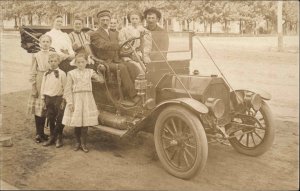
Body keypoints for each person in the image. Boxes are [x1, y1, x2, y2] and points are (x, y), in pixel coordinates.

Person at [89, 10, 137, 101]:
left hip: (116, 59)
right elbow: (103, 45)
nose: (105, 22)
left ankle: (139, 91)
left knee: (132, 65)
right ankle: (133, 95)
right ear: (99, 21)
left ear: (110, 20)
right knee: (122, 68)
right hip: (104, 61)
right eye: (103, 20)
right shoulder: (94, 34)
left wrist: (127, 51)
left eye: (107, 20)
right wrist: (119, 44)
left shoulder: (114, 33)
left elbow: (119, 48)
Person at [62, 53, 104, 153]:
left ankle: (84, 143)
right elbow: (67, 89)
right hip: (76, 98)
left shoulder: (90, 72)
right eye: (78, 62)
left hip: (87, 98)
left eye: (83, 62)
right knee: (77, 123)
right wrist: (70, 103)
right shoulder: (71, 73)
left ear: (86, 62)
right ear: (75, 63)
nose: (81, 64)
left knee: (85, 123)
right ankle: (77, 143)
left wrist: (100, 71)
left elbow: (101, 81)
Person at [27, 34, 53, 143]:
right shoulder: (36, 55)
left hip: (51, 80)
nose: (45, 43)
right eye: (43, 41)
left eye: (48, 42)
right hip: (40, 80)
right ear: (40, 43)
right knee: (39, 109)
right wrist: (34, 87)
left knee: (48, 108)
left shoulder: (53, 54)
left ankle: (49, 134)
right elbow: (32, 72)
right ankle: (39, 133)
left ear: (50, 43)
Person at [41, 52, 67, 148]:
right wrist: (43, 98)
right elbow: (43, 86)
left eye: (55, 61)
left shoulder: (62, 74)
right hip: (48, 98)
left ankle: (59, 137)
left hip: (58, 98)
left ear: (59, 62)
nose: (53, 63)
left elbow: (65, 88)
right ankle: (52, 137)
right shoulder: (46, 74)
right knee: (50, 117)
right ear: (48, 62)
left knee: (59, 118)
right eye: (51, 61)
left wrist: (64, 100)